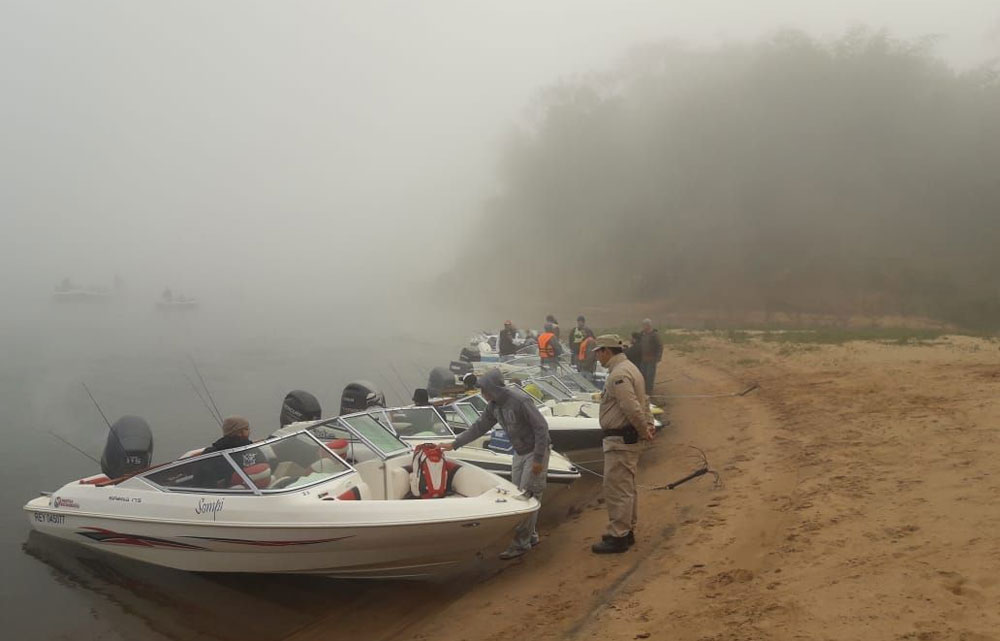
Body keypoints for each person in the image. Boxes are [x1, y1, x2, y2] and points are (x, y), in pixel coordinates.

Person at [440, 369, 550, 560]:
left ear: (493, 387)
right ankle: (530, 536)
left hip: (534, 451)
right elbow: (480, 427)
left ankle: (520, 544)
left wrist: (539, 459)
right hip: (520, 452)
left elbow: (541, 428)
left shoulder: (520, 401)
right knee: (519, 495)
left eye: (484, 389)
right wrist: (454, 444)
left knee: (527, 495)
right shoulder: (493, 406)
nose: (482, 394)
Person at [590, 335, 655, 554]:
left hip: (620, 440)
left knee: (617, 488)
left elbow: (631, 406)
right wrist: (648, 423)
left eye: (598, 351)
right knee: (626, 487)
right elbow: (643, 401)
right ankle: (625, 530)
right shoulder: (630, 368)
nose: (597, 356)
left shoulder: (618, 375)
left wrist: (643, 428)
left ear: (606, 351)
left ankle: (619, 535)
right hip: (624, 438)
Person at [638, 319, 663, 395]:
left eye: (645, 325)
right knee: (642, 375)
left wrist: (658, 357)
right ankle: (643, 391)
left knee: (650, 376)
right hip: (643, 358)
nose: (643, 327)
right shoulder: (642, 334)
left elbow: (660, 346)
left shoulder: (654, 335)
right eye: (643, 325)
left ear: (649, 325)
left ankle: (649, 392)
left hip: (651, 359)